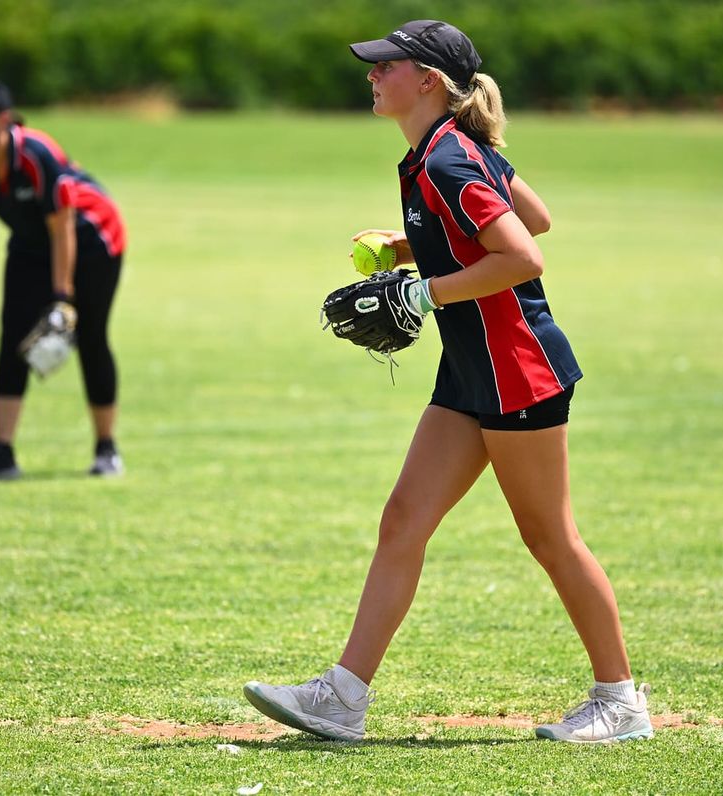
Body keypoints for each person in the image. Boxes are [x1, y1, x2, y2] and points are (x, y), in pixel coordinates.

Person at [243, 21, 653, 744]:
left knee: (550, 537)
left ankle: (620, 702)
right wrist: (417, 244)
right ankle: (342, 698)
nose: (371, 75)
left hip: (517, 370)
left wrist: (425, 291)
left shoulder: (446, 161)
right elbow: (537, 214)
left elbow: (526, 254)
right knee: (403, 519)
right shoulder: (438, 154)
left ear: (428, 79)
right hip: (472, 370)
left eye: (385, 66)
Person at [0, 78, 126, 479]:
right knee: (13, 336)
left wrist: (63, 297)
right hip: (31, 243)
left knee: (90, 336)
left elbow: (62, 226)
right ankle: (2, 453)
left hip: (92, 238)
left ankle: (106, 449)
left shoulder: (36, 154)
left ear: (4, 118)